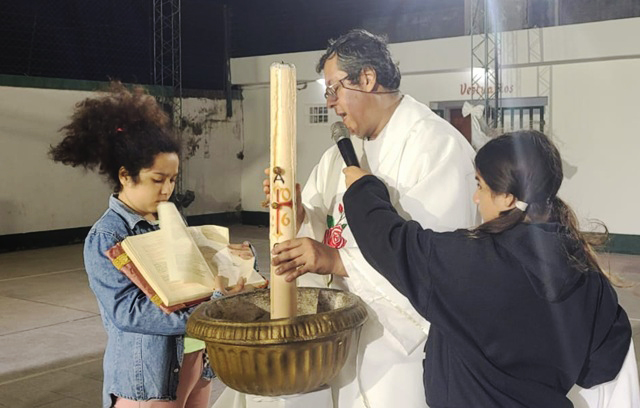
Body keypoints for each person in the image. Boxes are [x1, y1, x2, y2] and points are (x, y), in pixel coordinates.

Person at [339, 130, 639, 407]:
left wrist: (362, 186)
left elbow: (389, 241)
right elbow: (604, 368)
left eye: (480, 186)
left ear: (508, 198)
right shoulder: (587, 275)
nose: (475, 197)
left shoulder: (473, 263)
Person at [260, 29, 477, 408]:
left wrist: (335, 261)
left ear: (367, 78)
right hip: (342, 338)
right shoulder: (340, 153)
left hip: (402, 349)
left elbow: (435, 260)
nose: (331, 103)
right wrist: (298, 214)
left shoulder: (435, 146)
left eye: (334, 89)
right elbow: (328, 227)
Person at [49, 82, 251, 408]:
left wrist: (231, 262)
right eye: (158, 179)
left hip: (197, 359)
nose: (167, 190)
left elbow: (193, 279)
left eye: (173, 179)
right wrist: (209, 310)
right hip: (150, 375)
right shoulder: (107, 237)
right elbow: (129, 313)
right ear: (125, 176)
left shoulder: (170, 218)